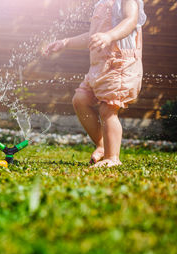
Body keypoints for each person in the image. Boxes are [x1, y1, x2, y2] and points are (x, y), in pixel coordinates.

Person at [43, 0, 146, 167]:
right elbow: (92, 36)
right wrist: (66, 42)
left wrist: (109, 36)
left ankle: (112, 158)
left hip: (120, 65)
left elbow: (130, 20)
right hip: (99, 67)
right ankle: (102, 146)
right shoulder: (102, 4)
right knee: (80, 100)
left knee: (108, 110)